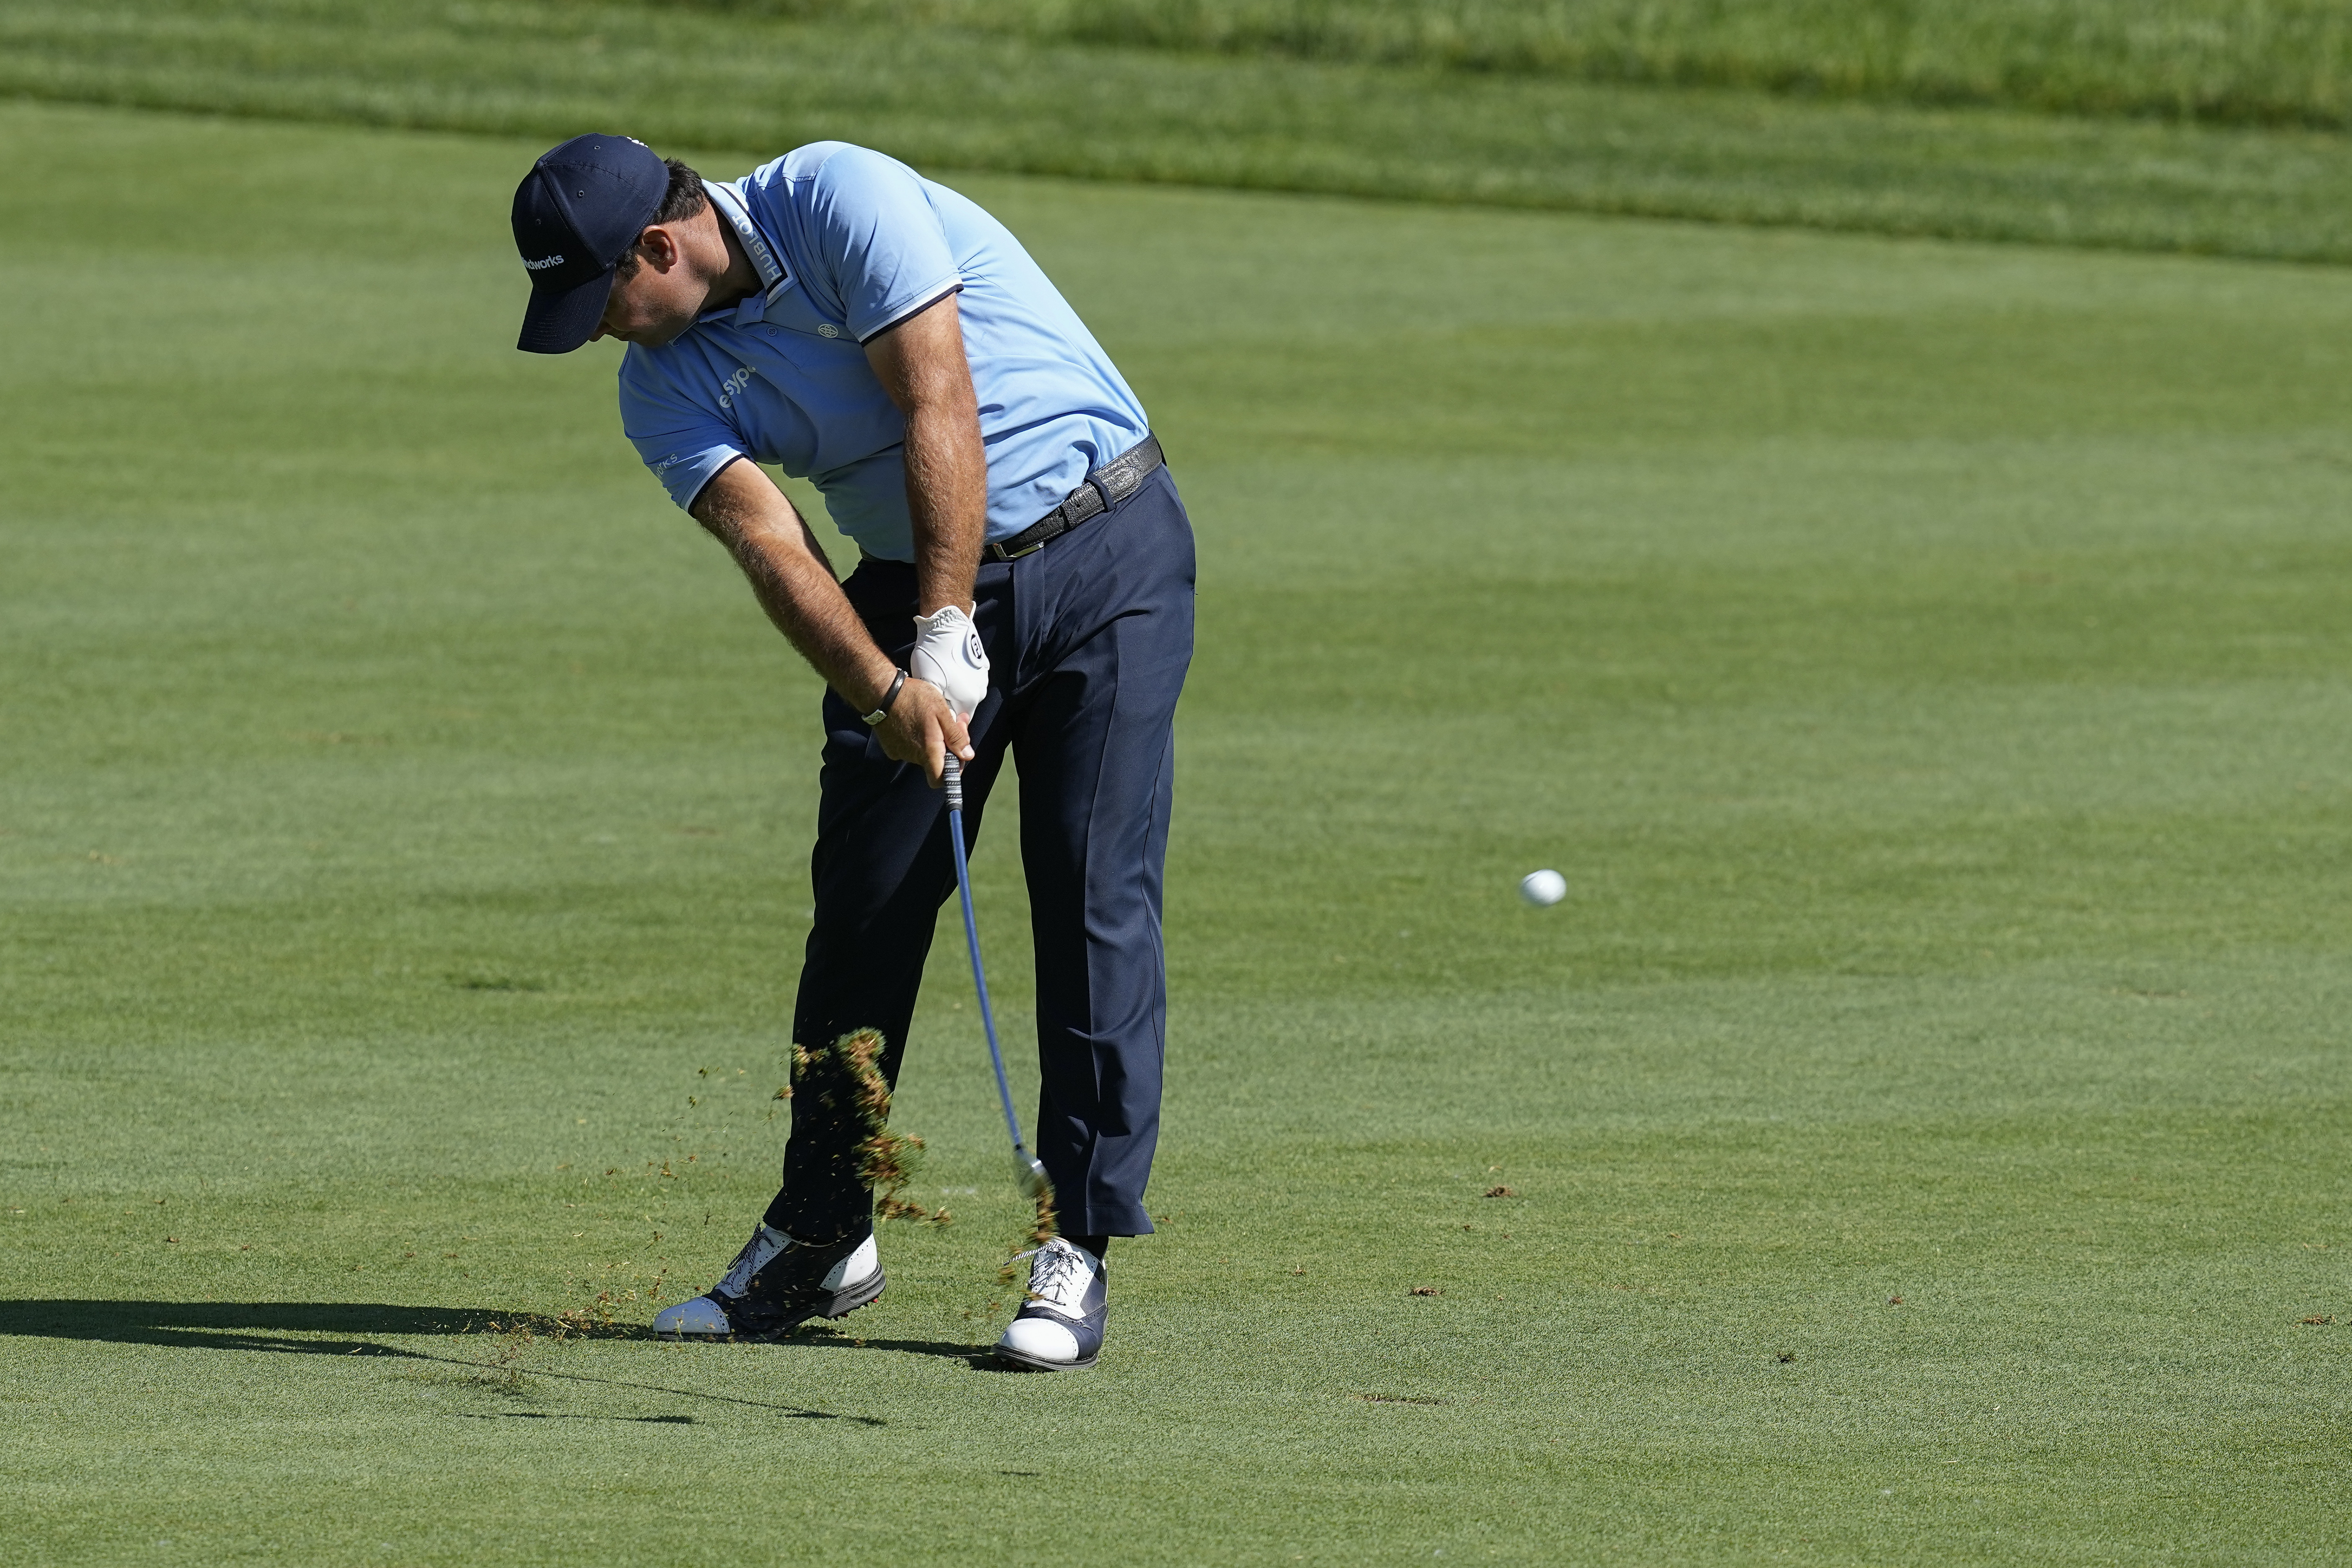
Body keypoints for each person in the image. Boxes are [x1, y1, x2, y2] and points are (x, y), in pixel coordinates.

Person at [509, 134, 1192, 1371]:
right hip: (903, 591)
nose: (600, 329)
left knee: (1092, 899)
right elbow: (772, 547)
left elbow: (937, 393)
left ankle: (1076, 1240)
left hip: (1107, 552)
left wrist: (944, 627)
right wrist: (886, 688)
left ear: (659, 247)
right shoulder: (659, 384)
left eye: (601, 297)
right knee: (866, 915)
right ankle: (825, 1232)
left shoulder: (839, 195)